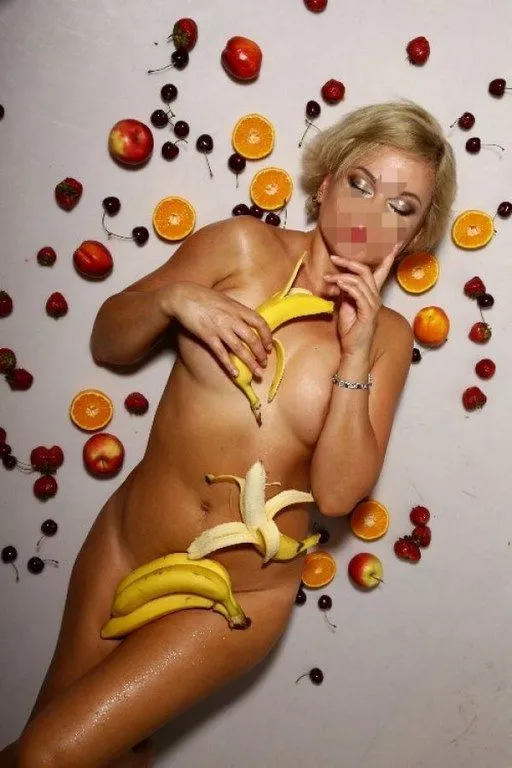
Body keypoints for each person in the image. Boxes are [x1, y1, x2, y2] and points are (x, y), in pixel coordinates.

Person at [3, 98, 456, 767]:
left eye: (401, 205)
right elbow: (109, 342)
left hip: (235, 600)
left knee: (44, 755)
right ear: (326, 181)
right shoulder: (239, 245)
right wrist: (173, 299)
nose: (370, 214)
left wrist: (356, 356)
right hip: (125, 545)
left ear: (415, 233)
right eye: (361, 183)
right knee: (90, 750)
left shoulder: (388, 337)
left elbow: (337, 495)